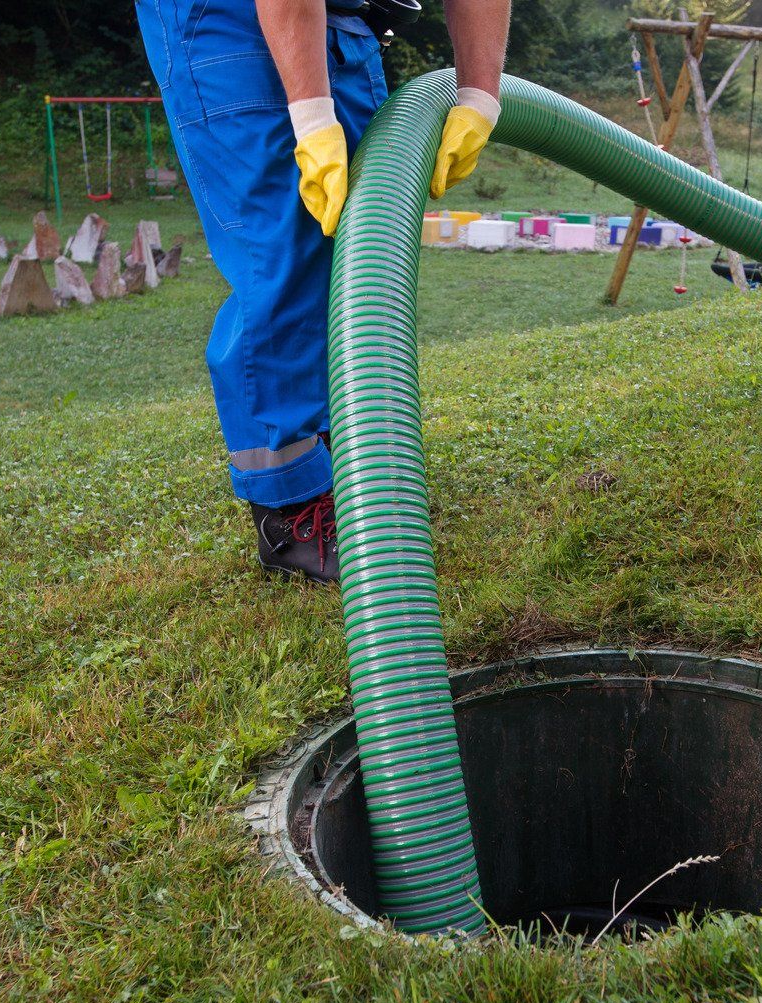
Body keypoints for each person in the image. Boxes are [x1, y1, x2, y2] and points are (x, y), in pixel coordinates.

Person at [134, 0, 511, 583]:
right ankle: (292, 509)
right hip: (223, 19)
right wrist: (311, 118)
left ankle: (347, 472)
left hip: (346, 20)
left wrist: (480, 94)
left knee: (357, 247)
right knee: (282, 248)